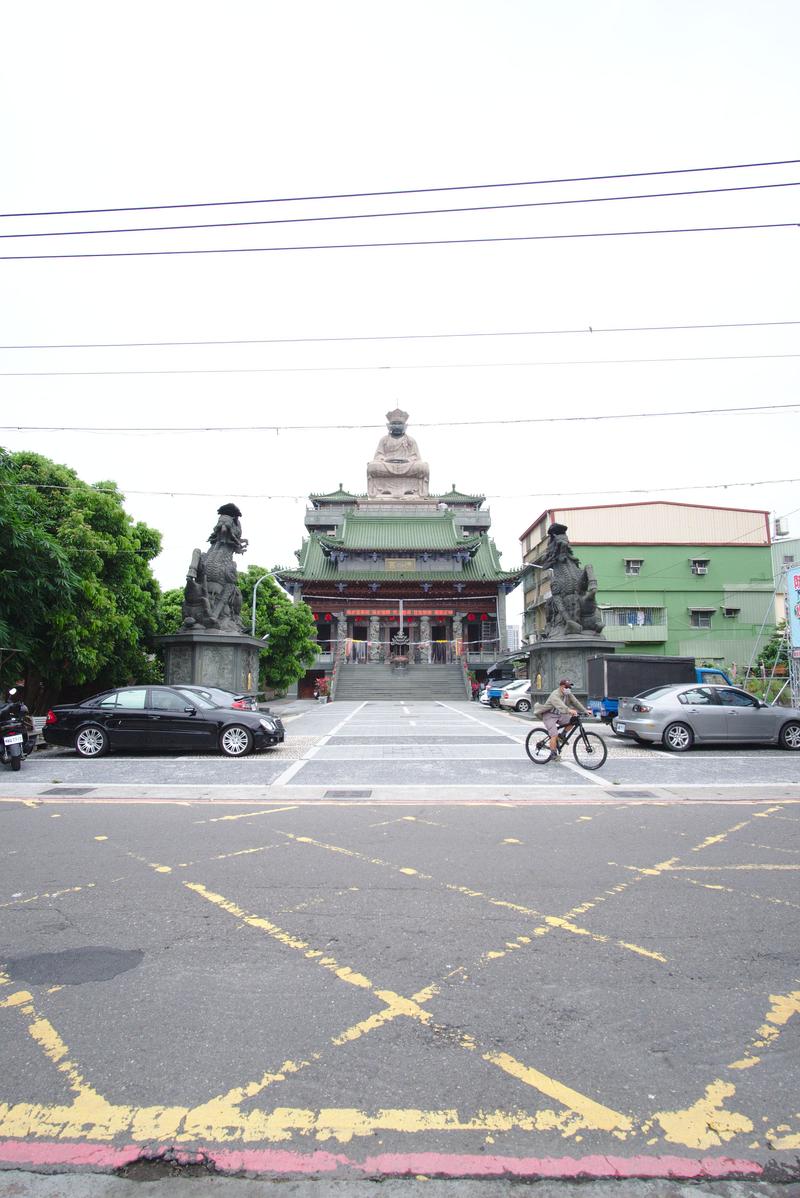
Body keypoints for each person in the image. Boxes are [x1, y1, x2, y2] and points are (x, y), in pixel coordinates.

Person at [534, 678, 591, 755]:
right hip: (549, 715)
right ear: (561, 686)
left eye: (569, 688)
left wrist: (585, 711)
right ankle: (553, 754)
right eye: (566, 687)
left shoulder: (568, 694)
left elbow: (575, 702)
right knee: (554, 735)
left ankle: (562, 735)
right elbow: (560, 705)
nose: (568, 689)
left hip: (560, 715)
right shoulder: (555, 694)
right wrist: (570, 711)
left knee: (573, 720)